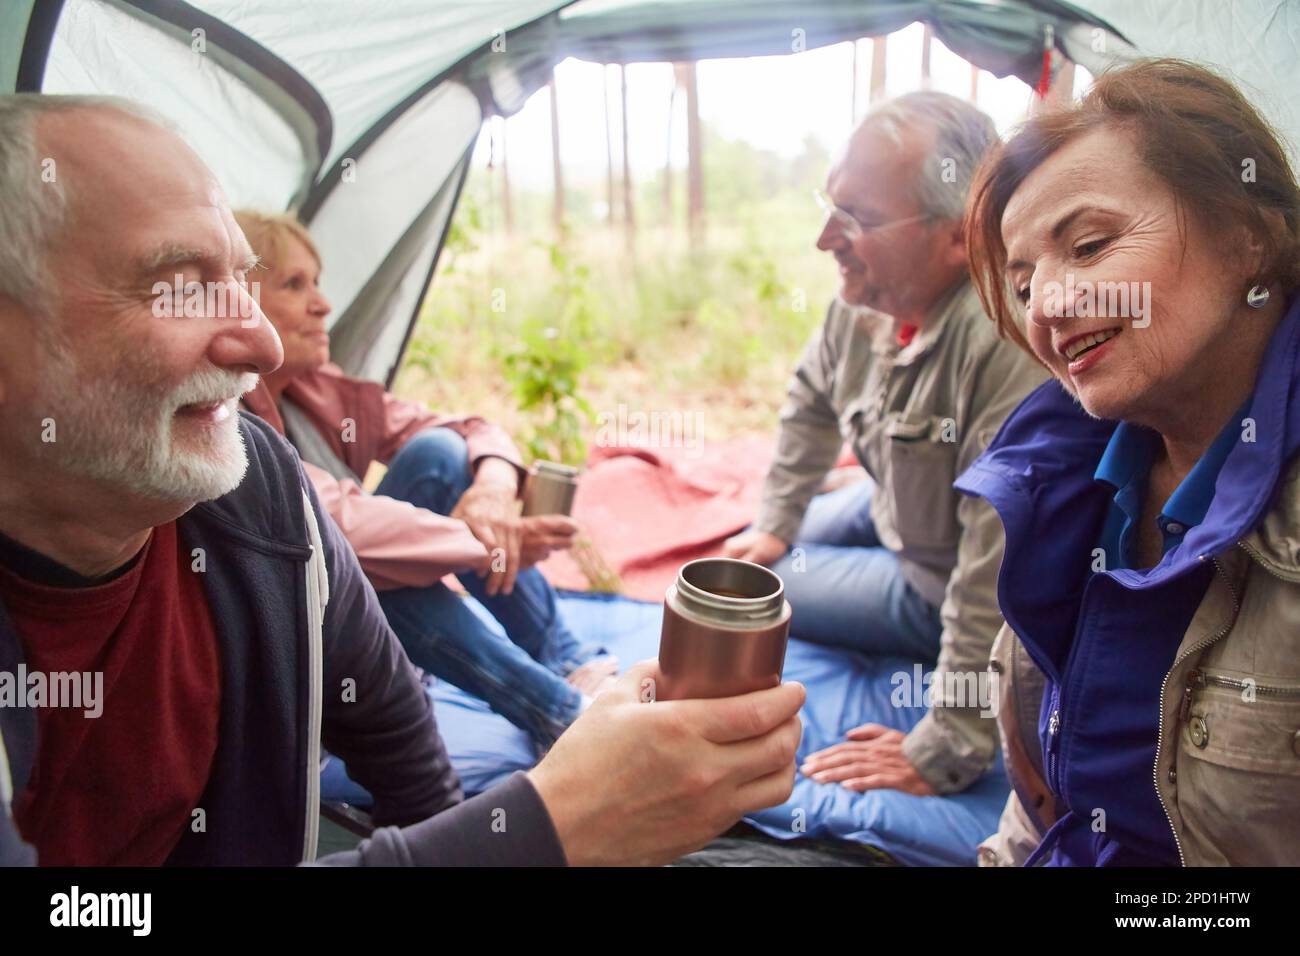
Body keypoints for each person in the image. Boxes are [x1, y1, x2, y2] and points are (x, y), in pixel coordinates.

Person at [0, 93, 804, 867]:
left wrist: (491, 491)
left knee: (442, 463)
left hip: (380, 561)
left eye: (246, 282)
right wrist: (546, 829)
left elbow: (396, 731)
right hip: (390, 565)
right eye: (178, 286)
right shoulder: (253, 468)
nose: (265, 340)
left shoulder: (261, 479)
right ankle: (558, 702)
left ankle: (558, 654)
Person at [962, 58, 1300, 865]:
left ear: (1248, 236)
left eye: (1088, 244)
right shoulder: (1055, 482)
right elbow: (1046, 808)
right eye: (1022, 281)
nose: (1044, 305)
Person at [726, 92, 1046, 795]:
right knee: (758, 549)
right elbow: (810, 402)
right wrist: (775, 522)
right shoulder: (866, 299)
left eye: (858, 218)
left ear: (960, 235)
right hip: (896, 507)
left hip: (937, 576)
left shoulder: (1006, 348)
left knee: (759, 593)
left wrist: (944, 749)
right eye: (829, 203)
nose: (824, 239)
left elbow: (993, 574)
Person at [235, 210, 614, 752]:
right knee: (357, 574)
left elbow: (466, 429)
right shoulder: (226, 413)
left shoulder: (312, 389)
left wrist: (492, 493)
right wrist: (481, 544)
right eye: (294, 285)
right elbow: (328, 527)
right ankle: (561, 713)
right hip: (285, 642)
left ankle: (568, 660)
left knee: (439, 454)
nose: (324, 304)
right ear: (234, 301)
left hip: (343, 592)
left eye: (317, 283)